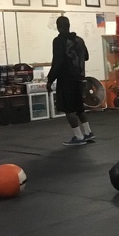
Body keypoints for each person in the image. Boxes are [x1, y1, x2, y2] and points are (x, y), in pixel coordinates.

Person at [47, 15, 94, 146]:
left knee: (68, 109)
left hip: (66, 79)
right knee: (79, 107)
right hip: (79, 77)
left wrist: (50, 80)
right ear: (69, 25)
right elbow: (86, 56)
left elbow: (58, 62)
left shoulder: (58, 41)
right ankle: (88, 132)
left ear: (58, 27)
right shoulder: (79, 40)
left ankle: (79, 137)